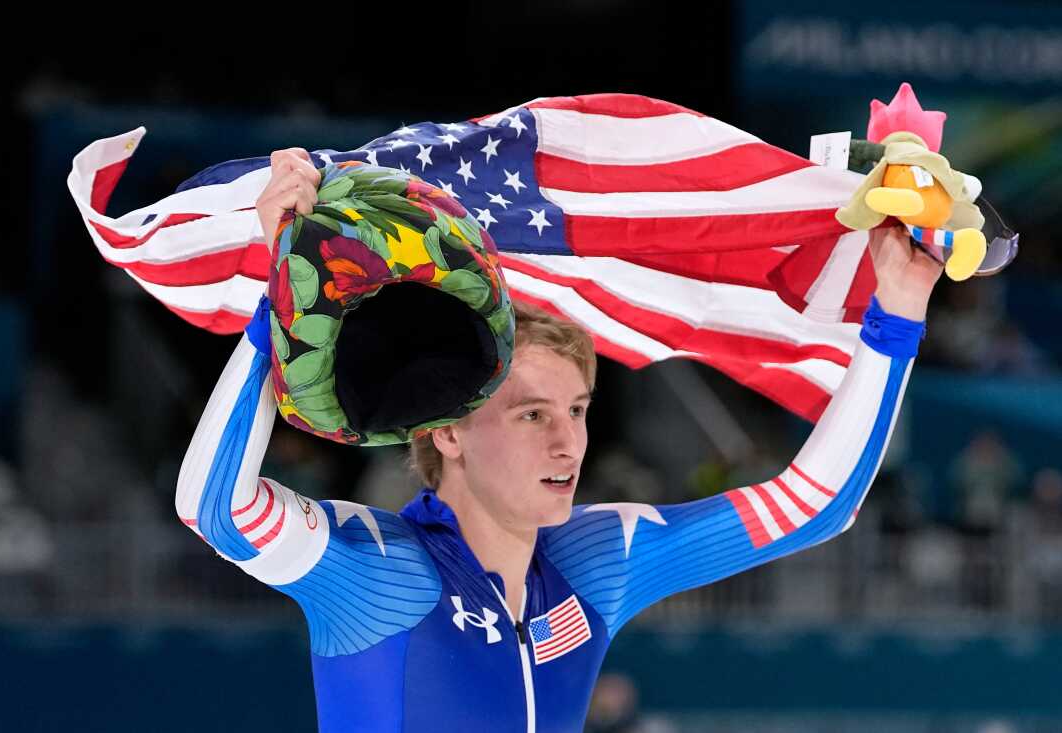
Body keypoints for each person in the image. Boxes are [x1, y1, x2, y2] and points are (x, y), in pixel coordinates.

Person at [175, 148, 941, 733]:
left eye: (577, 410)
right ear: (447, 431)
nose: (569, 443)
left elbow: (815, 505)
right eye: (532, 414)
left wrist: (899, 307)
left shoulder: (594, 564)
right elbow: (214, 505)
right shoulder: (380, 575)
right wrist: (286, 281)